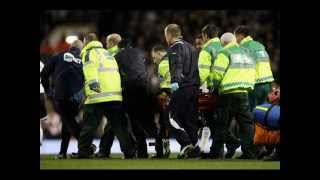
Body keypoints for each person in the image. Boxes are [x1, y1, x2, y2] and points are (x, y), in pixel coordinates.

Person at [73, 33, 135, 159]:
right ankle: (130, 152)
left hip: (97, 95)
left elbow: (90, 69)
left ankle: (83, 152)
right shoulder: (108, 54)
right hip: (115, 96)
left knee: (89, 125)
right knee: (120, 126)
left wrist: (93, 85)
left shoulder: (89, 53)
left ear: (86, 42)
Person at [113, 38, 163, 158]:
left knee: (134, 122)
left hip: (130, 91)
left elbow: (117, 74)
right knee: (149, 122)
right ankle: (160, 150)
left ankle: (142, 152)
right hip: (145, 90)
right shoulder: (140, 53)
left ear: (119, 48)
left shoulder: (117, 56)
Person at [209, 32, 256, 159]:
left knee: (221, 124)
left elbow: (217, 74)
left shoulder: (224, 52)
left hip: (228, 93)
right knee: (246, 125)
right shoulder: (246, 52)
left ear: (223, 43)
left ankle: (216, 153)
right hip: (244, 92)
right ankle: (249, 153)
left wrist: (213, 87)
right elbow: (253, 71)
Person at [41, 40, 90, 159]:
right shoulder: (84, 60)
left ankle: (87, 146)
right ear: (81, 49)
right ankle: (62, 152)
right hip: (77, 96)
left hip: (61, 94)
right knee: (68, 121)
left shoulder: (59, 56)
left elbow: (44, 74)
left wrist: (48, 90)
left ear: (70, 47)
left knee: (68, 120)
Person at [197, 24, 240, 159]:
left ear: (205, 36)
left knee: (212, 120)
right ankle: (221, 148)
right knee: (220, 121)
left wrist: (204, 89)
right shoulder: (224, 47)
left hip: (213, 89)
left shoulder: (206, 50)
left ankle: (229, 143)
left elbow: (203, 74)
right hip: (228, 87)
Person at [164, 24, 201, 159]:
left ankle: (186, 143)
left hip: (182, 87)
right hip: (194, 87)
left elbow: (177, 64)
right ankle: (197, 146)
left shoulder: (175, 47)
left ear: (168, 35)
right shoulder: (192, 47)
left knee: (170, 117)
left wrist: (175, 81)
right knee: (188, 120)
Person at [234, 25, 274, 112]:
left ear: (240, 36)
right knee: (264, 113)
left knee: (252, 113)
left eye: (235, 37)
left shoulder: (243, 47)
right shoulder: (260, 45)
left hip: (255, 85)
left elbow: (243, 68)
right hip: (266, 84)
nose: (235, 40)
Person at [150, 44, 172, 158]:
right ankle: (163, 151)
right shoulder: (173, 59)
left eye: (154, 57)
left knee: (165, 124)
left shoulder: (163, 64)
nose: (154, 61)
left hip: (169, 96)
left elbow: (166, 83)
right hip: (178, 94)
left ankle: (162, 152)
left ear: (159, 53)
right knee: (166, 124)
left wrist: (163, 93)